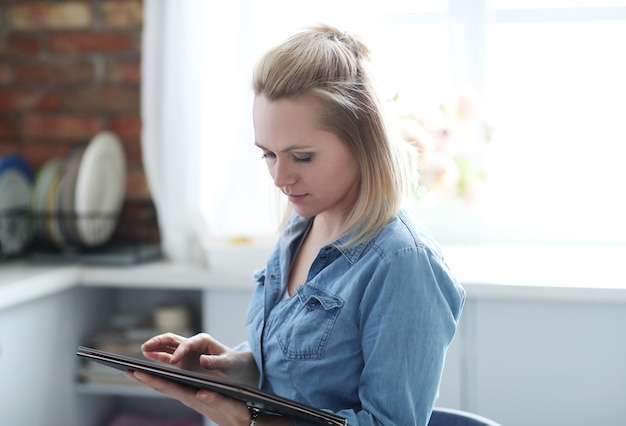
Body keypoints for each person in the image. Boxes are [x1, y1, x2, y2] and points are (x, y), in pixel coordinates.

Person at [127, 23, 466, 425]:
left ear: (364, 142)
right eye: (268, 154)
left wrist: (247, 421)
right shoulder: (301, 226)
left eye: (302, 157)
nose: (280, 177)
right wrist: (235, 367)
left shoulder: (404, 264)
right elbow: (303, 380)